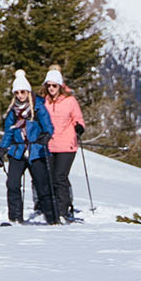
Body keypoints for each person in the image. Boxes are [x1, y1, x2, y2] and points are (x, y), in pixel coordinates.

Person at [0, 69, 58, 224]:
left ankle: (52, 218)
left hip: (36, 151)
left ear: (28, 92)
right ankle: (15, 217)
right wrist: (2, 149)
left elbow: (48, 126)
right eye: (17, 93)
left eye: (22, 92)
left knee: (42, 185)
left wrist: (46, 135)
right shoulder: (12, 112)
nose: (20, 96)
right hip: (17, 151)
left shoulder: (38, 108)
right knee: (12, 184)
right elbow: (9, 133)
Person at [41, 65, 86, 222]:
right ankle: (54, 208)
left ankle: (62, 210)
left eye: (54, 85)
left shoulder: (70, 101)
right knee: (51, 178)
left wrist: (79, 127)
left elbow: (78, 118)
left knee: (60, 176)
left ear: (60, 86)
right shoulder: (43, 101)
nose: (51, 88)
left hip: (67, 144)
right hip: (49, 144)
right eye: (49, 85)